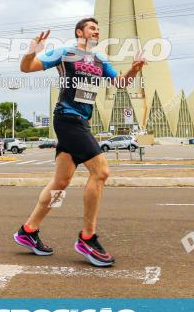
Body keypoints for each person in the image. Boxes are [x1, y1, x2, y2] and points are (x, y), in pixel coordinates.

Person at [13, 18, 144, 267]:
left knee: (61, 182)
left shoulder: (99, 61)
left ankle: (28, 231)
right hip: (67, 119)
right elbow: (27, 68)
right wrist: (31, 51)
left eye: (98, 28)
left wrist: (135, 69)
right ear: (79, 32)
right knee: (101, 171)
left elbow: (121, 83)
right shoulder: (65, 53)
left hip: (82, 122)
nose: (97, 30)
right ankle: (87, 238)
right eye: (92, 27)